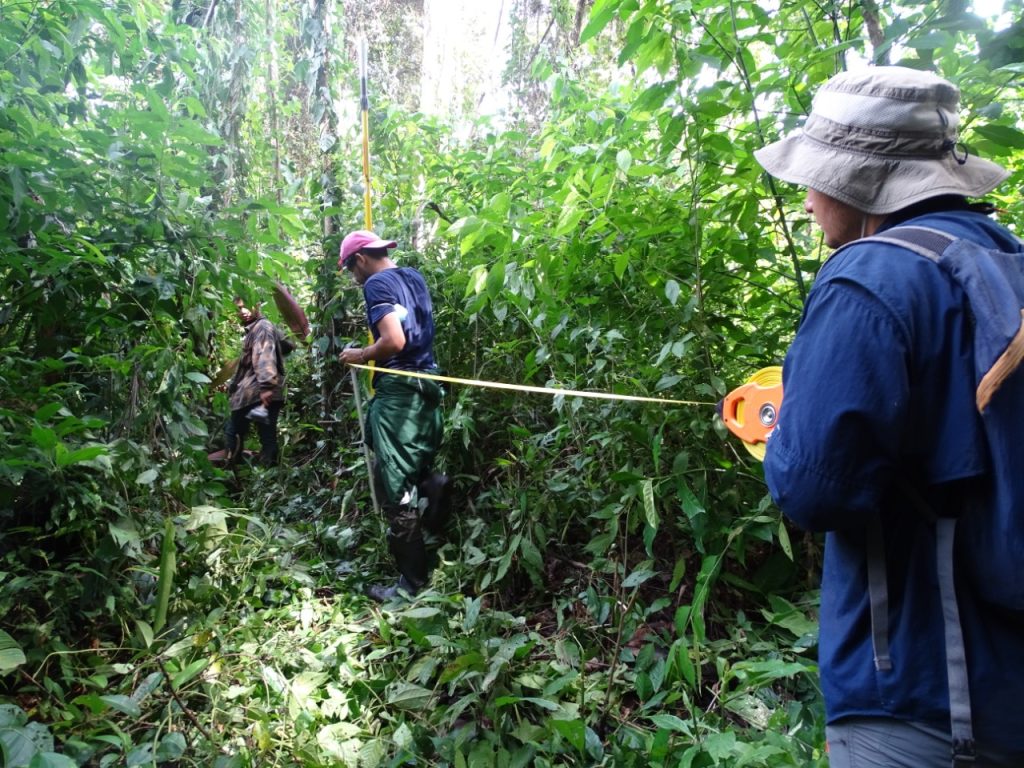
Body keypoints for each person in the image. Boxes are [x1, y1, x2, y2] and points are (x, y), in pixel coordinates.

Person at [755, 67, 1024, 766]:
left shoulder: (869, 278)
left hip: (922, 700)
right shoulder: (1005, 261)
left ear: (859, 180)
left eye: (816, 177)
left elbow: (814, 488)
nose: (809, 199)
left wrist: (779, 430)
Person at [337, 229, 450, 601]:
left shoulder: (376, 285)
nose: (354, 278)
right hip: (428, 387)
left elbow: (395, 341)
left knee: (395, 488)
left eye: (351, 269)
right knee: (418, 469)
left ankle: (411, 585)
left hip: (400, 392)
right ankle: (437, 509)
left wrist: (361, 354)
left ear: (361, 259)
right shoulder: (413, 277)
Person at [225, 296, 290, 467]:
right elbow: (286, 345)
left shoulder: (261, 327)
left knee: (233, 433)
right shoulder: (262, 327)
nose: (244, 312)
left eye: (246, 306)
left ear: (258, 305)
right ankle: (271, 476)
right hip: (261, 391)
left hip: (256, 392)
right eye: (239, 309)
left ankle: (231, 474)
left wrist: (267, 385)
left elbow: (264, 356)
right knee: (267, 437)